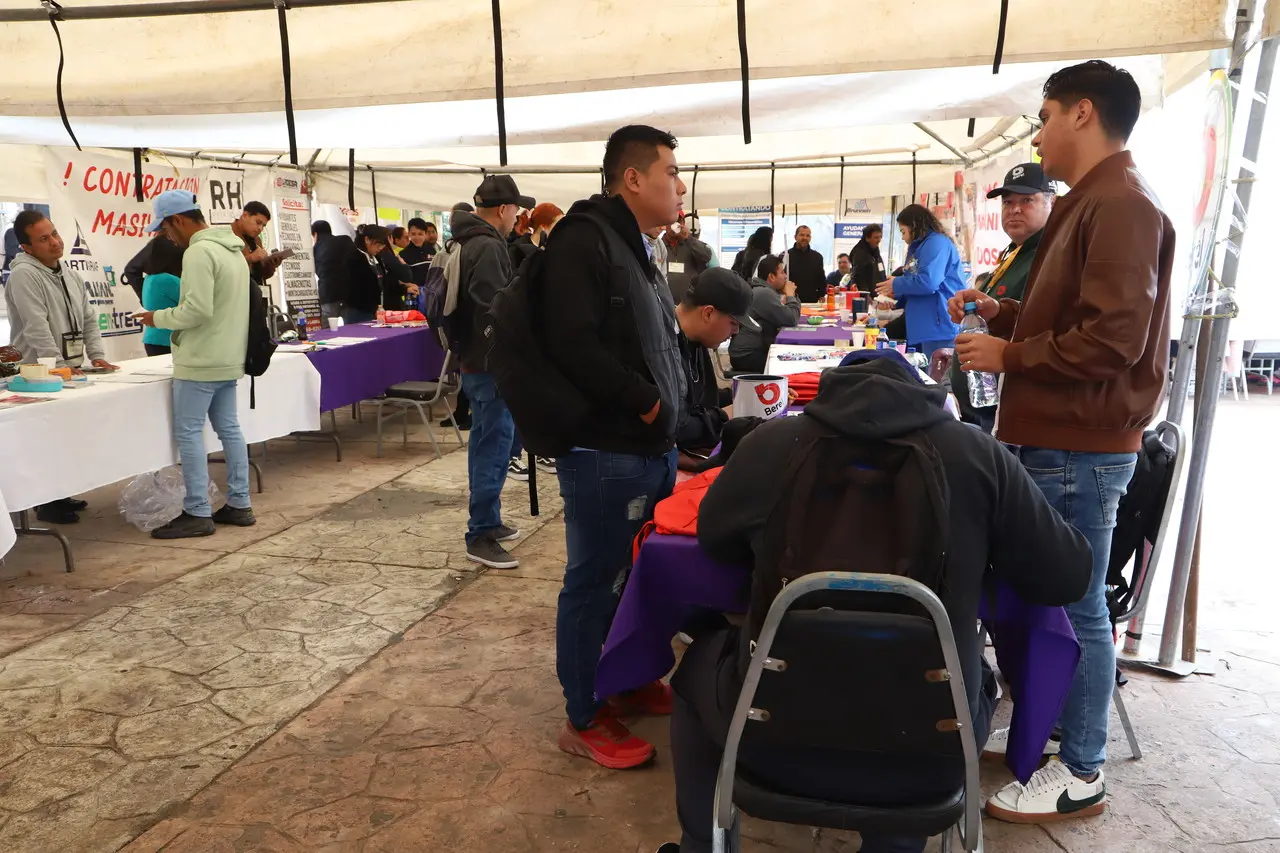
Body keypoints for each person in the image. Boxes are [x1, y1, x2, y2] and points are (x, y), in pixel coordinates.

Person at [654, 351, 1093, 853]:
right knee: (954, 678)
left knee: (693, 673)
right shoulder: (978, 455)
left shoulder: (770, 444)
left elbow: (715, 543)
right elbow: (1067, 575)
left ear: (830, 386)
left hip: (770, 740)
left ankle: (700, 845)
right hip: (930, 750)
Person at [950, 60, 1175, 824]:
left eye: (1044, 116)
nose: (1038, 134)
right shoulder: (1092, 203)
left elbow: (1114, 338)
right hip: (1058, 438)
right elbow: (1080, 322)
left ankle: (1082, 766)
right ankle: (1059, 735)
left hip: (1079, 445)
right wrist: (1004, 318)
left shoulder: (1121, 204)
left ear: (1083, 112)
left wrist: (1012, 355)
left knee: (1076, 605)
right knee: (1055, 600)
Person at [539, 124, 687, 768]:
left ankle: (624, 678)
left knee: (635, 576)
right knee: (596, 581)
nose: (679, 185)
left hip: (649, 446)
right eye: (672, 173)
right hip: (607, 449)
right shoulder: (583, 241)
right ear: (633, 178)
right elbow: (572, 344)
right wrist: (645, 399)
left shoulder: (639, 245)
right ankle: (583, 714)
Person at [133, 190, 255, 540]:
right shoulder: (231, 249)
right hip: (228, 354)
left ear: (179, 220)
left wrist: (155, 317)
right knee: (229, 429)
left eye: (167, 229)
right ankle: (240, 502)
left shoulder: (199, 252)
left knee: (189, 433)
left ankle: (198, 509)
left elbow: (197, 311)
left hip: (200, 359)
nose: (167, 236)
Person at [4, 210, 118, 525]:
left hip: (68, 368)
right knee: (43, 436)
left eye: (54, 233)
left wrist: (96, 355)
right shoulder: (24, 275)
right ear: (26, 247)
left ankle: (59, 492)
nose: (55, 242)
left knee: (63, 433)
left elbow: (88, 317)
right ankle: (46, 502)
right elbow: (36, 325)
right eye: (44, 239)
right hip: (36, 371)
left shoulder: (68, 273)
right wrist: (54, 364)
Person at [452, 175, 533, 570]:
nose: (517, 217)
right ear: (503, 209)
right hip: (489, 363)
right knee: (493, 445)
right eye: (516, 209)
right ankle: (480, 531)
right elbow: (493, 308)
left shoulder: (469, 240)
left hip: (477, 360)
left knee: (488, 441)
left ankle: (489, 520)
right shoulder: (485, 247)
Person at [950, 163, 1055, 432]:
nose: (1015, 209)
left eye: (1027, 200)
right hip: (983, 404)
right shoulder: (1014, 252)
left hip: (1009, 411)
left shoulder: (1051, 253)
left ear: (1051, 202)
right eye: (1008, 202)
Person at [673, 268, 752, 464]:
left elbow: (703, 399)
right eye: (733, 323)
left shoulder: (696, 340)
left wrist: (747, 393)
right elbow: (678, 427)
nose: (736, 332)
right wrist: (726, 415)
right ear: (708, 313)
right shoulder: (664, 346)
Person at [875, 205, 963, 359]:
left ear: (914, 226)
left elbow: (929, 282)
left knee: (940, 377)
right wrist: (894, 299)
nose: (902, 237)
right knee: (930, 376)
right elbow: (915, 283)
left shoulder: (936, 243)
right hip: (926, 324)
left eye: (903, 231)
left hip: (940, 322)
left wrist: (895, 283)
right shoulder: (920, 247)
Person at [728, 254, 800, 374]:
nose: (786, 277)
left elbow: (789, 315)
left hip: (748, 351)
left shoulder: (761, 290)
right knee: (790, 363)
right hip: (747, 356)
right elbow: (791, 319)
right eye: (782, 272)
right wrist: (791, 295)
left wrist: (790, 297)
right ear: (771, 277)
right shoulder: (763, 294)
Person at [140, 234, 185, 357]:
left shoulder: (149, 278)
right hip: (167, 340)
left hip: (153, 339)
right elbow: (191, 303)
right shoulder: (168, 280)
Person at [230, 201, 281, 300]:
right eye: (258, 223)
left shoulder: (257, 240)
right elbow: (224, 268)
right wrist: (250, 258)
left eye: (263, 226)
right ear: (245, 216)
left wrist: (271, 264)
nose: (260, 228)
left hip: (257, 297)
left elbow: (260, 275)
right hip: (236, 298)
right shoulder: (227, 235)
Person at [663, 213, 715, 304]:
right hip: (665, 302)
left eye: (678, 221)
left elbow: (706, 257)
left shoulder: (692, 244)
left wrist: (689, 238)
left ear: (683, 223)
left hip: (688, 303)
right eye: (671, 221)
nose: (674, 224)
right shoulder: (660, 245)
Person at [343, 224, 390, 324]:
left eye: (383, 245)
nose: (381, 248)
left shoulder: (376, 257)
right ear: (367, 239)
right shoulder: (353, 258)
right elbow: (355, 288)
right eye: (378, 244)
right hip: (358, 311)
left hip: (375, 310)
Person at [312, 220, 355, 324]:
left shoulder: (315, 249)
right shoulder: (345, 240)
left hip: (328, 293)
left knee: (328, 328)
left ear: (316, 234)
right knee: (352, 327)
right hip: (349, 292)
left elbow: (317, 270)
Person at [508, 202, 565, 269]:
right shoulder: (517, 251)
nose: (562, 228)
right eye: (557, 225)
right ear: (543, 227)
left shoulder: (552, 248)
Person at [783, 225, 826, 303]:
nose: (805, 238)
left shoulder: (817, 257)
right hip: (791, 300)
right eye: (802, 235)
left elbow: (821, 279)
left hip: (812, 301)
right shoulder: (785, 256)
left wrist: (821, 295)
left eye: (807, 235)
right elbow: (781, 279)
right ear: (795, 237)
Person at [400, 217, 440, 289]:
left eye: (420, 234)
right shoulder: (403, 254)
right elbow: (400, 280)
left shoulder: (432, 250)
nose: (417, 237)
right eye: (413, 234)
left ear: (425, 234)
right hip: (414, 295)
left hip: (432, 293)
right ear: (409, 234)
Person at [849, 223, 887, 293]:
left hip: (878, 293)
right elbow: (858, 277)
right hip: (866, 295)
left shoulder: (875, 251)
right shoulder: (859, 253)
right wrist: (865, 295)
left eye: (880, 237)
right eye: (876, 237)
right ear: (867, 238)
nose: (879, 240)